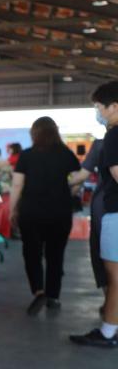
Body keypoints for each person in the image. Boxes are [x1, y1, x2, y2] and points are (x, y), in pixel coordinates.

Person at [9, 117, 80, 315]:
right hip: (60, 212)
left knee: (31, 252)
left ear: (34, 133)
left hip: (31, 211)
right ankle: (53, 297)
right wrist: (68, 191)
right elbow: (78, 179)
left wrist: (12, 209)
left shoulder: (27, 155)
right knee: (55, 255)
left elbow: (17, 185)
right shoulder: (65, 153)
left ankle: (39, 291)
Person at [72, 82, 118, 347]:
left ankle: (107, 332)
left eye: (99, 107)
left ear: (114, 106)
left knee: (114, 278)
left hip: (114, 212)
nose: (98, 112)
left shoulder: (113, 135)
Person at [70, 138, 106, 309]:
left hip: (106, 208)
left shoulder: (103, 143)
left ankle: (111, 306)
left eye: (100, 108)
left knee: (104, 258)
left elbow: (82, 175)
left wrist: (56, 184)